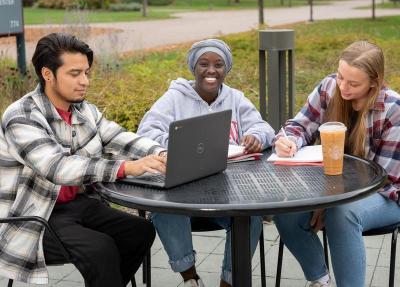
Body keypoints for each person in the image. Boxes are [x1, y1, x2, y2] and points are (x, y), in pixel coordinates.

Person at [0, 33, 168, 286]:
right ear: (48, 74)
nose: (84, 81)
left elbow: (120, 137)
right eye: (74, 73)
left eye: (87, 73)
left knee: (140, 231)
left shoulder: (84, 110)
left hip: (79, 205)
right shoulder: (21, 116)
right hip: (32, 215)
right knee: (101, 249)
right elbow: (56, 167)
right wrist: (125, 168)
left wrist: (161, 153)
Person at [137, 38, 275, 287]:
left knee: (251, 217)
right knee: (162, 210)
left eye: (218, 64)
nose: (211, 70)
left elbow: (263, 127)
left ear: (226, 68)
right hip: (183, 191)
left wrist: (257, 136)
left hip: (229, 192)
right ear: (193, 67)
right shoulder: (175, 98)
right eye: (204, 64)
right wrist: (177, 143)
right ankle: (190, 278)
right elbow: (145, 132)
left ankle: (228, 282)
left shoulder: (236, 98)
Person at [273, 40, 400, 287]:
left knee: (343, 214)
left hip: (388, 194)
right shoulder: (329, 87)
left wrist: (330, 202)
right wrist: (289, 141)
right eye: (341, 76)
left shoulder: (394, 110)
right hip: (333, 188)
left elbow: (385, 180)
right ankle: (319, 279)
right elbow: (299, 126)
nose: (343, 86)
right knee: (285, 208)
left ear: (374, 81)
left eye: (353, 83)